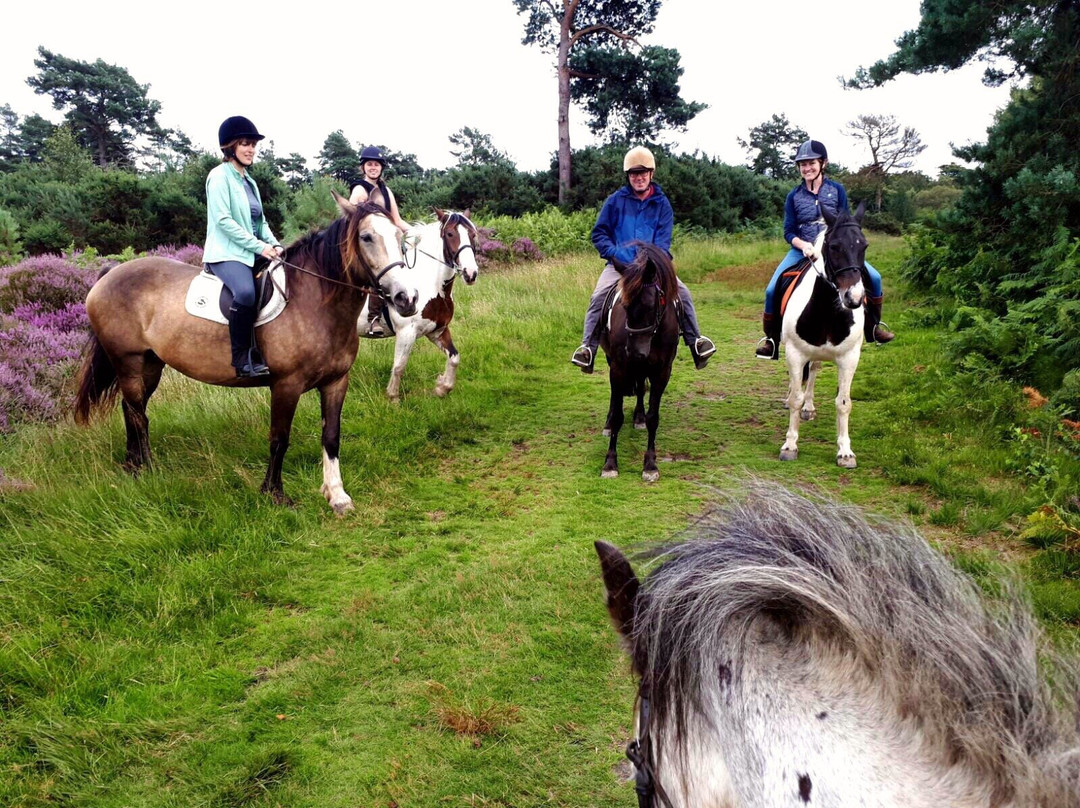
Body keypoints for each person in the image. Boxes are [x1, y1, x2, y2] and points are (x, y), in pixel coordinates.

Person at [571, 146, 716, 373]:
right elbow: (599, 234)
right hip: (619, 267)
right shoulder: (615, 201)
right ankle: (587, 349)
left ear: (651, 174)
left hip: (652, 268)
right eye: (633, 174)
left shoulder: (662, 204)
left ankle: (696, 342)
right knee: (598, 296)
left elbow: (663, 241)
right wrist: (615, 255)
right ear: (628, 176)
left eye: (643, 173)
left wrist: (650, 263)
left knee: (683, 293)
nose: (638, 178)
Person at [755, 139, 894, 359]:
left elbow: (847, 221)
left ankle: (874, 328)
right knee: (772, 288)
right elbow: (788, 231)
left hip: (835, 249)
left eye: (811, 163)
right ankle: (771, 339)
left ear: (823, 163)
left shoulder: (836, 190)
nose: (806, 168)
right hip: (803, 249)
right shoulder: (793, 196)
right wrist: (803, 245)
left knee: (874, 278)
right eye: (802, 164)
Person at [204, 116, 282, 378]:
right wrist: (259, 247)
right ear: (230, 147)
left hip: (250, 251)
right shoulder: (218, 177)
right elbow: (223, 221)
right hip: (225, 253)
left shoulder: (249, 181)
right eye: (245, 144)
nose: (251, 150)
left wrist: (274, 244)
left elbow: (260, 221)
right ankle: (242, 358)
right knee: (246, 293)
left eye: (253, 145)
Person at [349, 146, 409, 336]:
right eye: (369, 164)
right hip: (368, 242)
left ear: (381, 168)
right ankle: (374, 318)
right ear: (363, 167)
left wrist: (416, 232)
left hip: (386, 239)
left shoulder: (386, 191)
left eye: (376, 164)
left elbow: (397, 221)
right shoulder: (360, 189)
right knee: (380, 270)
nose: (373, 167)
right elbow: (350, 220)